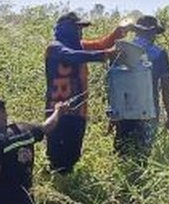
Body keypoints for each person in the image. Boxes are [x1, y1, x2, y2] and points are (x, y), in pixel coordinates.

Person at [43, 11, 127, 173]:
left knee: (73, 153)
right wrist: (103, 55)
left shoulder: (81, 46)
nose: (80, 33)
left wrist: (119, 31)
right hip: (56, 112)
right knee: (56, 154)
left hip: (78, 112)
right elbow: (71, 56)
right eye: (77, 29)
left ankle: (65, 182)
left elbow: (103, 44)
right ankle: (56, 185)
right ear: (67, 29)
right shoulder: (54, 48)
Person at [114, 14, 169, 158]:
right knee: (144, 154)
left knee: (123, 152)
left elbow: (113, 83)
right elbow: (166, 87)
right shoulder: (159, 54)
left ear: (136, 31)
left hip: (123, 110)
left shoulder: (120, 50)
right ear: (153, 33)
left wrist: (113, 114)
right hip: (149, 110)